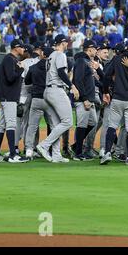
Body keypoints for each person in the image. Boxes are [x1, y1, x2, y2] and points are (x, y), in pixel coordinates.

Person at [100, 42, 128, 166]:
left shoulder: (117, 58)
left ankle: (107, 153)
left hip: (118, 97)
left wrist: (105, 91)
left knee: (112, 126)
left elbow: (107, 76)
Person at [36, 34, 79, 163]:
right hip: (56, 90)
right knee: (67, 122)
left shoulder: (50, 56)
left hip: (48, 90)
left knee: (56, 124)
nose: (68, 44)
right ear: (62, 42)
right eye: (66, 42)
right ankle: (44, 145)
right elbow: (61, 72)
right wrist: (72, 86)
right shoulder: (60, 55)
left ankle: (56, 154)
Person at [0, 39, 29, 163]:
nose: (23, 49)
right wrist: (20, 69)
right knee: (11, 124)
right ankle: (13, 155)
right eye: (22, 47)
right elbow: (10, 77)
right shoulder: (9, 59)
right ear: (16, 47)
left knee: (2, 125)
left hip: (6, 97)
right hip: (9, 97)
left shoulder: (11, 59)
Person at [24, 47, 55, 160]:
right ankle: (50, 149)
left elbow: (27, 81)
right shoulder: (52, 68)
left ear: (42, 55)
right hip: (49, 99)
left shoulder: (33, 67)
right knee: (53, 125)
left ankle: (29, 150)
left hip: (36, 99)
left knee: (32, 126)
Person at [71, 40, 99, 161]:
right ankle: (78, 153)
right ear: (89, 49)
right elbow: (77, 80)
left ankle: (75, 146)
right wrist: (84, 98)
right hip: (84, 99)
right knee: (82, 124)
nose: (96, 50)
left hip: (89, 98)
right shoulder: (82, 61)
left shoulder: (87, 61)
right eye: (95, 48)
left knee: (93, 122)